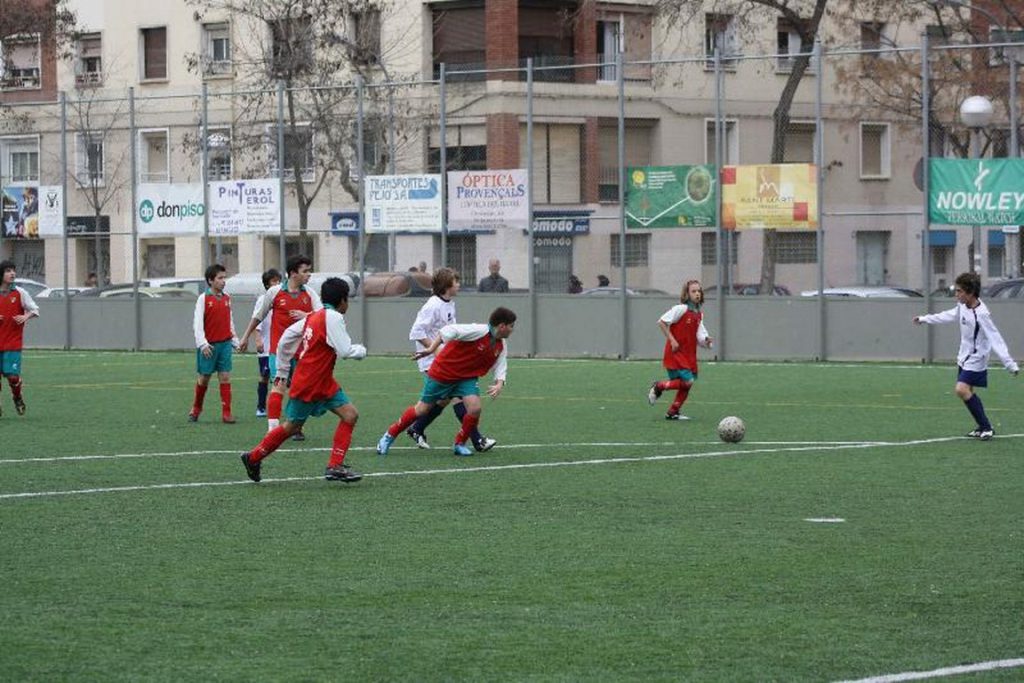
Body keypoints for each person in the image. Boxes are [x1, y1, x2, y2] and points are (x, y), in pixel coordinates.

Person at [240, 278, 367, 483]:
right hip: (310, 381)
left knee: (350, 415)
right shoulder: (332, 317)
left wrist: (282, 369)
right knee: (291, 426)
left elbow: (287, 337)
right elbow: (345, 350)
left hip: (322, 380)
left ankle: (335, 465)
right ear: (342, 300)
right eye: (348, 300)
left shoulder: (314, 316)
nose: (348, 304)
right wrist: (361, 351)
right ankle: (253, 457)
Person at [377, 307, 516, 457]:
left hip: (466, 378)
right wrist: (431, 349)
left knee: (475, 408)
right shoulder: (479, 330)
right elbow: (449, 330)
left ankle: (459, 444)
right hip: (444, 372)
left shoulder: (501, 344)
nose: (512, 330)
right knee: (422, 409)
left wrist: (499, 383)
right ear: (502, 326)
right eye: (511, 326)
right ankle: (389, 435)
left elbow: (501, 363)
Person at [913, 271, 1018, 440]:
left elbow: (995, 338)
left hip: (977, 358)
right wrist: (925, 319)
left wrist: (1009, 363)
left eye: (959, 291)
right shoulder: (963, 306)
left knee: (961, 389)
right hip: (964, 356)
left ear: (970, 293)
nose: (956, 294)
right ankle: (981, 426)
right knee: (967, 390)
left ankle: (987, 427)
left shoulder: (982, 314)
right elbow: (947, 315)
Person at [404, 267, 496, 452]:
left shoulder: (449, 303)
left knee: (444, 399)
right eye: (456, 281)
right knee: (457, 397)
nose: (459, 284)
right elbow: (416, 331)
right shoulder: (433, 305)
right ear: (446, 285)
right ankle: (477, 440)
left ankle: (417, 428)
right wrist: (435, 349)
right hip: (432, 361)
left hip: (447, 361)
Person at [238, 255, 322, 437]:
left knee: (300, 392)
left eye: (309, 270)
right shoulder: (275, 292)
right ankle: (273, 429)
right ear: (293, 273)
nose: (309, 274)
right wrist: (245, 337)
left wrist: (306, 315)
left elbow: (322, 316)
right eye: (305, 271)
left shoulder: (310, 294)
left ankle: (295, 427)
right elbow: (258, 316)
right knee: (278, 386)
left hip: (302, 353)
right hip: (279, 352)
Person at [648, 279, 713, 420]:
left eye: (699, 291)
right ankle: (658, 386)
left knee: (686, 385)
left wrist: (706, 340)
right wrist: (672, 340)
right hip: (676, 353)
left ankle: (673, 412)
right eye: (693, 291)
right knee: (688, 381)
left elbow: (700, 335)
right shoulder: (681, 309)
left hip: (689, 354)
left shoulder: (698, 314)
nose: (697, 294)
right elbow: (662, 322)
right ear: (687, 294)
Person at [189, 264, 239, 423]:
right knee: (204, 378)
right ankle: (196, 408)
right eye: (220, 278)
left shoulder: (227, 298)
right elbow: (197, 323)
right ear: (210, 281)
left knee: (225, 377)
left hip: (224, 344)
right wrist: (202, 343)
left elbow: (229, 320)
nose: (223, 281)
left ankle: (227, 413)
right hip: (209, 346)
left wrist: (234, 340)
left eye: (224, 278)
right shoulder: (203, 298)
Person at [0, 260, 39, 417]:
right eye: (8, 271)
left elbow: (35, 309)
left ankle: (17, 396)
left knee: (13, 377)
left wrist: (25, 316)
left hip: (12, 343)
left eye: (14, 271)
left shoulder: (20, 293)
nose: (12, 274)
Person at [253, 268, 282, 417]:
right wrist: (258, 340)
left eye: (279, 281)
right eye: (273, 282)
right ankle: (261, 406)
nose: (277, 284)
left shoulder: (283, 300)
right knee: (265, 375)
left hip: (280, 347)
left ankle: (277, 407)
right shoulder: (262, 300)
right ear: (267, 285)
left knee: (280, 378)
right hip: (266, 347)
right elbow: (256, 322)